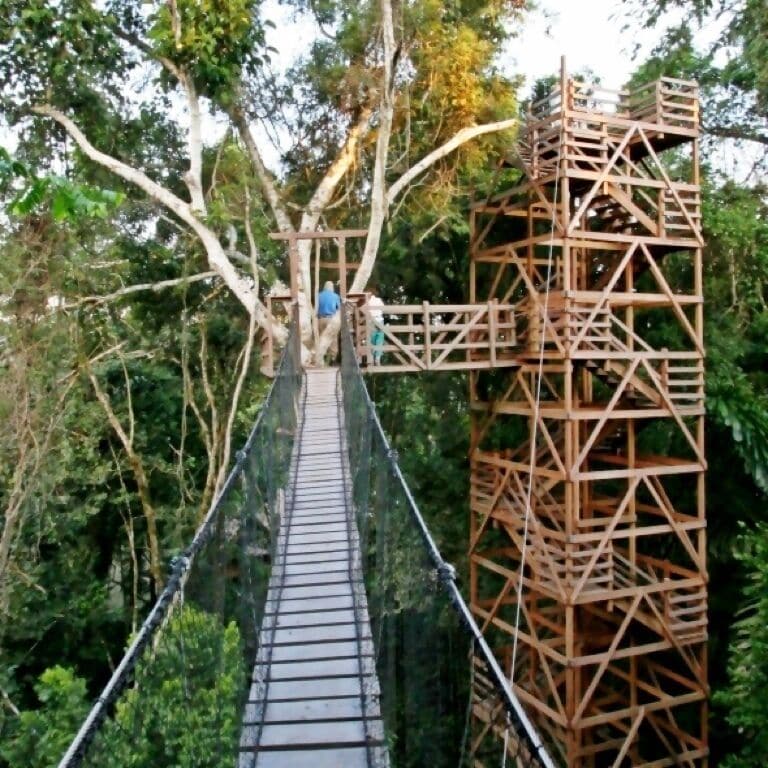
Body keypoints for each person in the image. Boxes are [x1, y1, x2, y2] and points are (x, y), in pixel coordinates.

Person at [317, 280, 341, 363]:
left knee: (321, 338)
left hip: (320, 319)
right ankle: (332, 359)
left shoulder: (318, 296)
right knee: (332, 339)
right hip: (331, 319)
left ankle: (321, 358)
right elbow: (339, 309)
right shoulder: (335, 296)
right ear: (332, 287)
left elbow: (315, 308)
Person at [366, 290, 385, 365]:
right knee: (380, 339)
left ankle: (372, 358)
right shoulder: (379, 300)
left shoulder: (367, 301)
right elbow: (383, 308)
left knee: (372, 339)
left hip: (371, 321)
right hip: (380, 320)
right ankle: (377, 358)